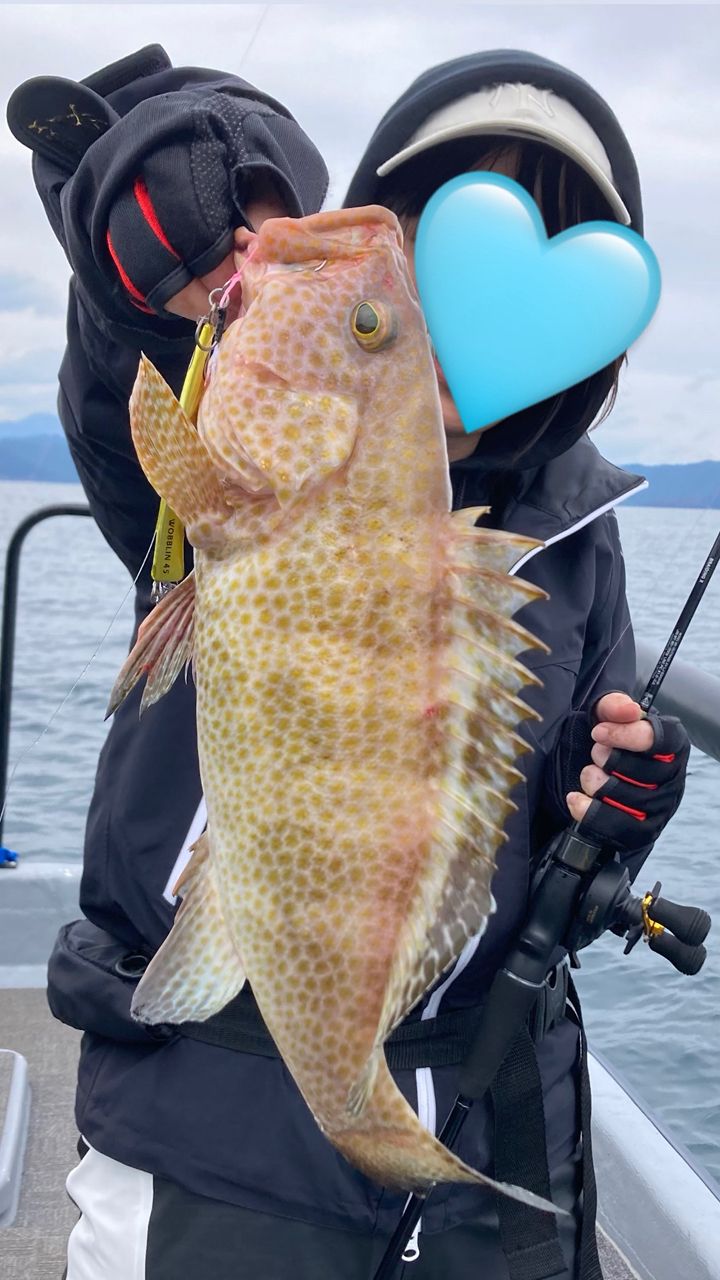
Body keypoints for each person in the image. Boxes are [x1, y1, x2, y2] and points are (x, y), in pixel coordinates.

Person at [8, 44, 690, 1280]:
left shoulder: (582, 540)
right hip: (217, 1136)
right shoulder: (217, 419)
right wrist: (189, 168)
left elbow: (525, 850)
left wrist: (621, 816)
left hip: (501, 1135)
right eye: (445, 245)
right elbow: (127, 364)